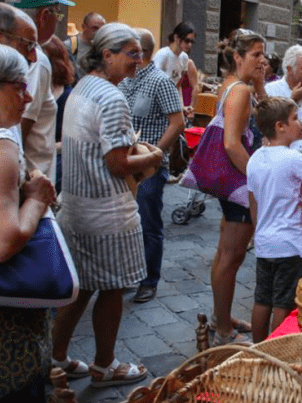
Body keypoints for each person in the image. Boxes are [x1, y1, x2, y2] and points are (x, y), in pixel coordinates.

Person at [52, 22, 162, 387]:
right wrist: (154, 155)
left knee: (81, 286)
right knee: (112, 288)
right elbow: (117, 164)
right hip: (106, 212)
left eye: (140, 53)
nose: (138, 61)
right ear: (107, 55)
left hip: (77, 206)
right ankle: (104, 365)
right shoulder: (112, 97)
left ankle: (56, 357)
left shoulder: (83, 87)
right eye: (131, 53)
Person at [248, 97, 302, 342]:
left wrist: (259, 232)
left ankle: (258, 348)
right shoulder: (293, 158)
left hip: (265, 242)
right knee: (283, 304)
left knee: (262, 299)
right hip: (290, 244)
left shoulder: (255, 157)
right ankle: (276, 348)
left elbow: (253, 201)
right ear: (280, 126)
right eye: (295, 118)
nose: (300, 123)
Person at [0, 44, 56, 403]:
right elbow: (7, 241)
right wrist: (36, 198)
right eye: (19, 86)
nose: (29, 95)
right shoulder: (2, 147)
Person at [207, 28, 266, 346]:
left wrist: (260, 85)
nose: (262, 59)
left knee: (225, 253)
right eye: (256, 54)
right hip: (240, 183)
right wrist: (256, 180)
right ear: (237, 57)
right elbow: (232, 144)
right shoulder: (239, 90)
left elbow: (266, 117)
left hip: (232, 182)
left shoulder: (234, 86)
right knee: (232, 256)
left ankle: (222, 315)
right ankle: (223, 330)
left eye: (262, 53)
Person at [118, 28, 184, 303]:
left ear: (140, 52)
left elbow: (177, 122)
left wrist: (156, 153)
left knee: (148, 223)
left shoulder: (160, 81)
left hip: (150, 167)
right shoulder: (124, 82)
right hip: (127, 162)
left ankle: (149, 280)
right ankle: (129, 274)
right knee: (126, 222)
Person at [15, 0, 72, 184]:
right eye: (58, 15)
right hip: (30, 179)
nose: (58, 22)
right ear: (44, 16)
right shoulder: (36, 59)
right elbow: (21, 123)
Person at [265, 44, 302, 154]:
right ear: (290, 69)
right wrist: (293, 100)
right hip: (280, 155)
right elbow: (267, 126)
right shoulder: (271, 90)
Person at [41, 36, 74, 195]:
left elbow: (69, 138)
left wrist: (46, 148)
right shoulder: (35, 88)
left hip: (58, 159)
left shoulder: (67, 95)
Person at [153, 21, 196, 116]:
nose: (189, 45)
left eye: (191, 42)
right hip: (158, 105)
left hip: (171, 105)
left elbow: (178, 85)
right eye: (186, 41)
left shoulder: (184, 57)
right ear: (176, 38)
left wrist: (181, 106)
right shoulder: (163, 55)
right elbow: (153, 82)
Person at [63, 12, 105, 82]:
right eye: (95, 28)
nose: (98, 32)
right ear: (83, 27)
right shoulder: (71, 45)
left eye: (101, 29)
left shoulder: (100, 47)